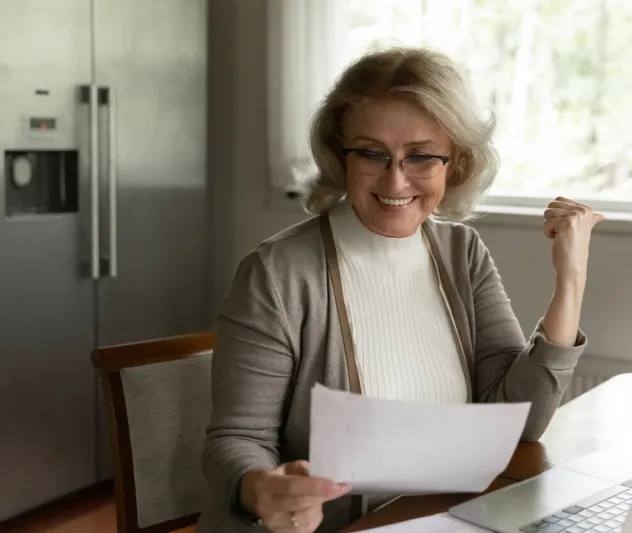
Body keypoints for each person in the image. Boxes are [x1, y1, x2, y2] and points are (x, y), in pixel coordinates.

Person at [196, 45, 602, 533]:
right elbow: (236, 438)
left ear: (455, 162)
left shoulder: (462, 253)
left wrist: (571, 280)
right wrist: (261, 486)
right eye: (371, 153)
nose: (395, 180)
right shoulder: (277, 273)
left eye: (421, 157)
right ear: (338, 152)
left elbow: (518, 420)